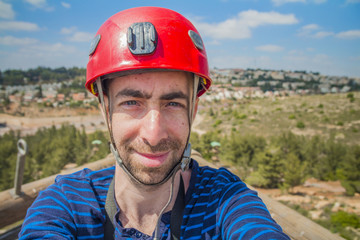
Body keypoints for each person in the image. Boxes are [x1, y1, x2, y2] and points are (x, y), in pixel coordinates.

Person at [19, 7, 290, 240]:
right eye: (132, 103)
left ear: (193, 111)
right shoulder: (66, 203)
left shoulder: (224, 200)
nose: (153, 134)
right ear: (105, 109)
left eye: (173, 104)